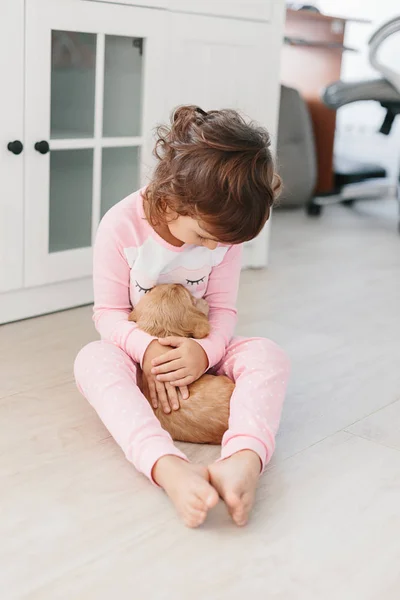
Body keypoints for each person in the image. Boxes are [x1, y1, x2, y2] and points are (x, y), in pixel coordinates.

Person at [74, 106, 290, 528]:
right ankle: (165, 465)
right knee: (92, 361)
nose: (213, 251)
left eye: (222, 243)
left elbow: (224, 310)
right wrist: (149, 351)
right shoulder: (120, 226)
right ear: (172, 200)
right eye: (204, 237)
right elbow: (109, 314)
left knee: (267, 354)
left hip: (200, 348)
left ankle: (245, 456)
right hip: (139, 349)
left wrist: (204, 352)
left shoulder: (221, 234)